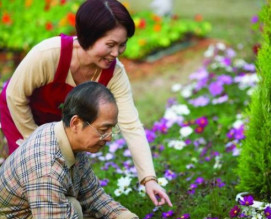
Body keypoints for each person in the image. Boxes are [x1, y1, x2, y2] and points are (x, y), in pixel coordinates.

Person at [0, 0, 170, 207]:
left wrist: (148, 179)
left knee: (61, 186)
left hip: (59, 127)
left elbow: (131, 125)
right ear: (87, 37)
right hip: (19, 116)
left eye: (122, 44)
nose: (116, 53)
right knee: (24, 180)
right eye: (110, 45)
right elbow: (15, 97)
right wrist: (36, 146)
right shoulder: (49, 54)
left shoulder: (114, 73)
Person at [0, 81, 169, 219]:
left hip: (40, 211)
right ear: (76, 123)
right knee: (73, 206)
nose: (109, 137)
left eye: (112, 128)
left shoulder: (67, 138)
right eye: (104, 129)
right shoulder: (46, 167)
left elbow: (92, 195)